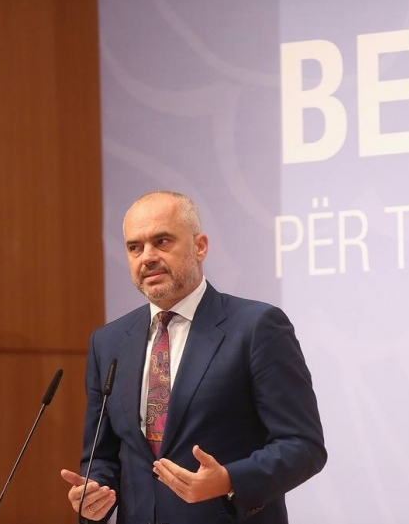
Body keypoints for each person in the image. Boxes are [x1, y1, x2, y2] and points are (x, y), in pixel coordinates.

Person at [60, 190, 326, 523]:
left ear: (200, 246)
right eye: (135, 247)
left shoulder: (257, 327)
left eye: (162, 241)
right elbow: (102, 456)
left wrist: (229, 480)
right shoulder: (108, 342)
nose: (147, 257)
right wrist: (95, 492)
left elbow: (303, 445)